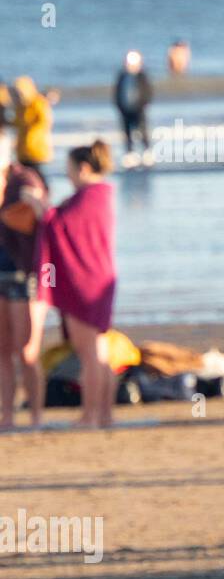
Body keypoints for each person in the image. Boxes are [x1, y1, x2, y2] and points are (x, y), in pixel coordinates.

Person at [27, 141, 118, 428]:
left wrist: (39, 205)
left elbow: (59, 226)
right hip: (100, 278)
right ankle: (103, 414)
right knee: (99, 352)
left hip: (85, 282)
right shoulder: (100, 195)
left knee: (88, 353)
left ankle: (90, 416)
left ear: (83, 168)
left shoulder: (90, 196)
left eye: (68, 170)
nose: (67, 175)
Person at [0, 130, 48, 427]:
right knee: (1, 351)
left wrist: (35, 202)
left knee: (27, 351)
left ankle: (36, 416)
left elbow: (44, 216)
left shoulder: (23, 179)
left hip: (23, 275)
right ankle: (6, 416)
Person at [10, 76, 53, 185]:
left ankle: (43, 194)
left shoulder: (38, 102)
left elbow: (45, 121)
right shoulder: (20, 107)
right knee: (24, 177)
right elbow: (16, 123)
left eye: (20, 93)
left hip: (36, 149)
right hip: (22, 149)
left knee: (38, 176)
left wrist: (30, 133)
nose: (19, 96)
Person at [114, 51, 153, 158]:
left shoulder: (142, 76)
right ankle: (130, 153)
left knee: (142, 130)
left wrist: (144, 104)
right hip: (125, 109)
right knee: (127, 133)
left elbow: (147, 92)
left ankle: (147, 151)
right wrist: (118, 105)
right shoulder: (122, 75)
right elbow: (117, 91)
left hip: (139, 108)